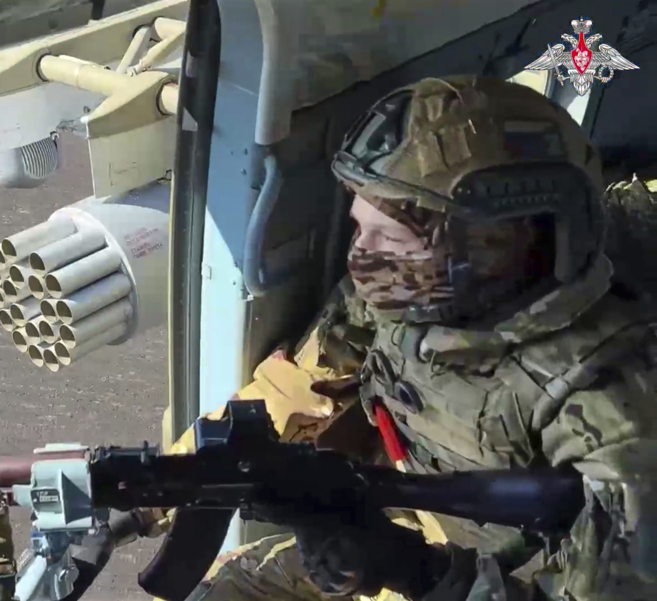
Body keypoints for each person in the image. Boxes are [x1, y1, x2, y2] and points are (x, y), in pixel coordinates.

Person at [153, 74, 657, 601]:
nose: (361, 255)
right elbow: (296, 388)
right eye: (359, 226)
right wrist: (158, 489)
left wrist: (415, 571)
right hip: (409, 533)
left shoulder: (613, 415)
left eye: (390, 237)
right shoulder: (411, 298)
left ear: (494, 246)